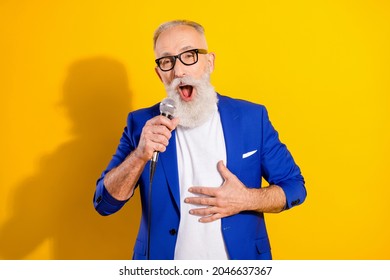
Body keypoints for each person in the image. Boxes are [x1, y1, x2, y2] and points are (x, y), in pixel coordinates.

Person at [93, 20, 306, 260]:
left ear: (209, 62)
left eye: (189, 55)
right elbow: (104, 204)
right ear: (159, 73)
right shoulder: (141, 124)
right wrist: (140, 154)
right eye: (167, 61)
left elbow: (295, 187)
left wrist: (246, 199)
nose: (179, 71)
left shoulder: (251, 118)